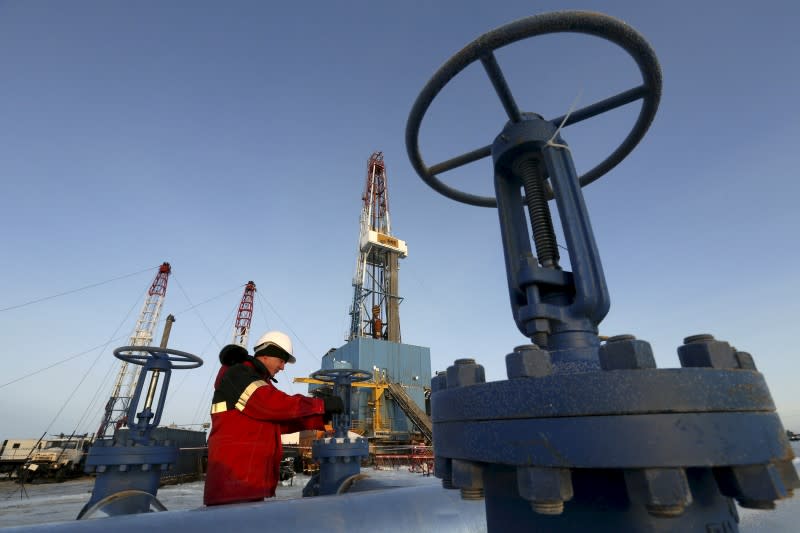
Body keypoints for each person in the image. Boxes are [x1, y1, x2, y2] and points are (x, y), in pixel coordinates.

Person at [203, 330, 344, 506]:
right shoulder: (239, 374)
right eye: (281, 360)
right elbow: (274, 404)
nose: (283, 367)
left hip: (246, 480)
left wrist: (321, 418)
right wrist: (321, 404)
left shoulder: (259, 382)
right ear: (267, 355)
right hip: (233, 480)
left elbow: (279, 421)